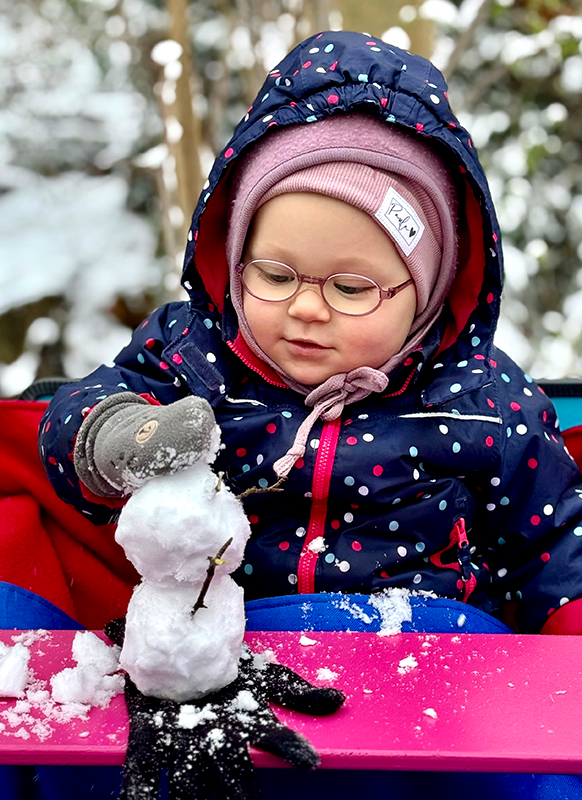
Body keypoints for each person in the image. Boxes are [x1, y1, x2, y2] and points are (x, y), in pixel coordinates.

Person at [39, 30, 582, 639]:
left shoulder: (481, 400)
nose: (305, 308)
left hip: (433, 655)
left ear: (426, 296)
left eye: (350, 289)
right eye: (274, 274)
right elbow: (76, 414)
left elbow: (556, 540)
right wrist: (121, 436)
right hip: (231, 643)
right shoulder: (193, 355)